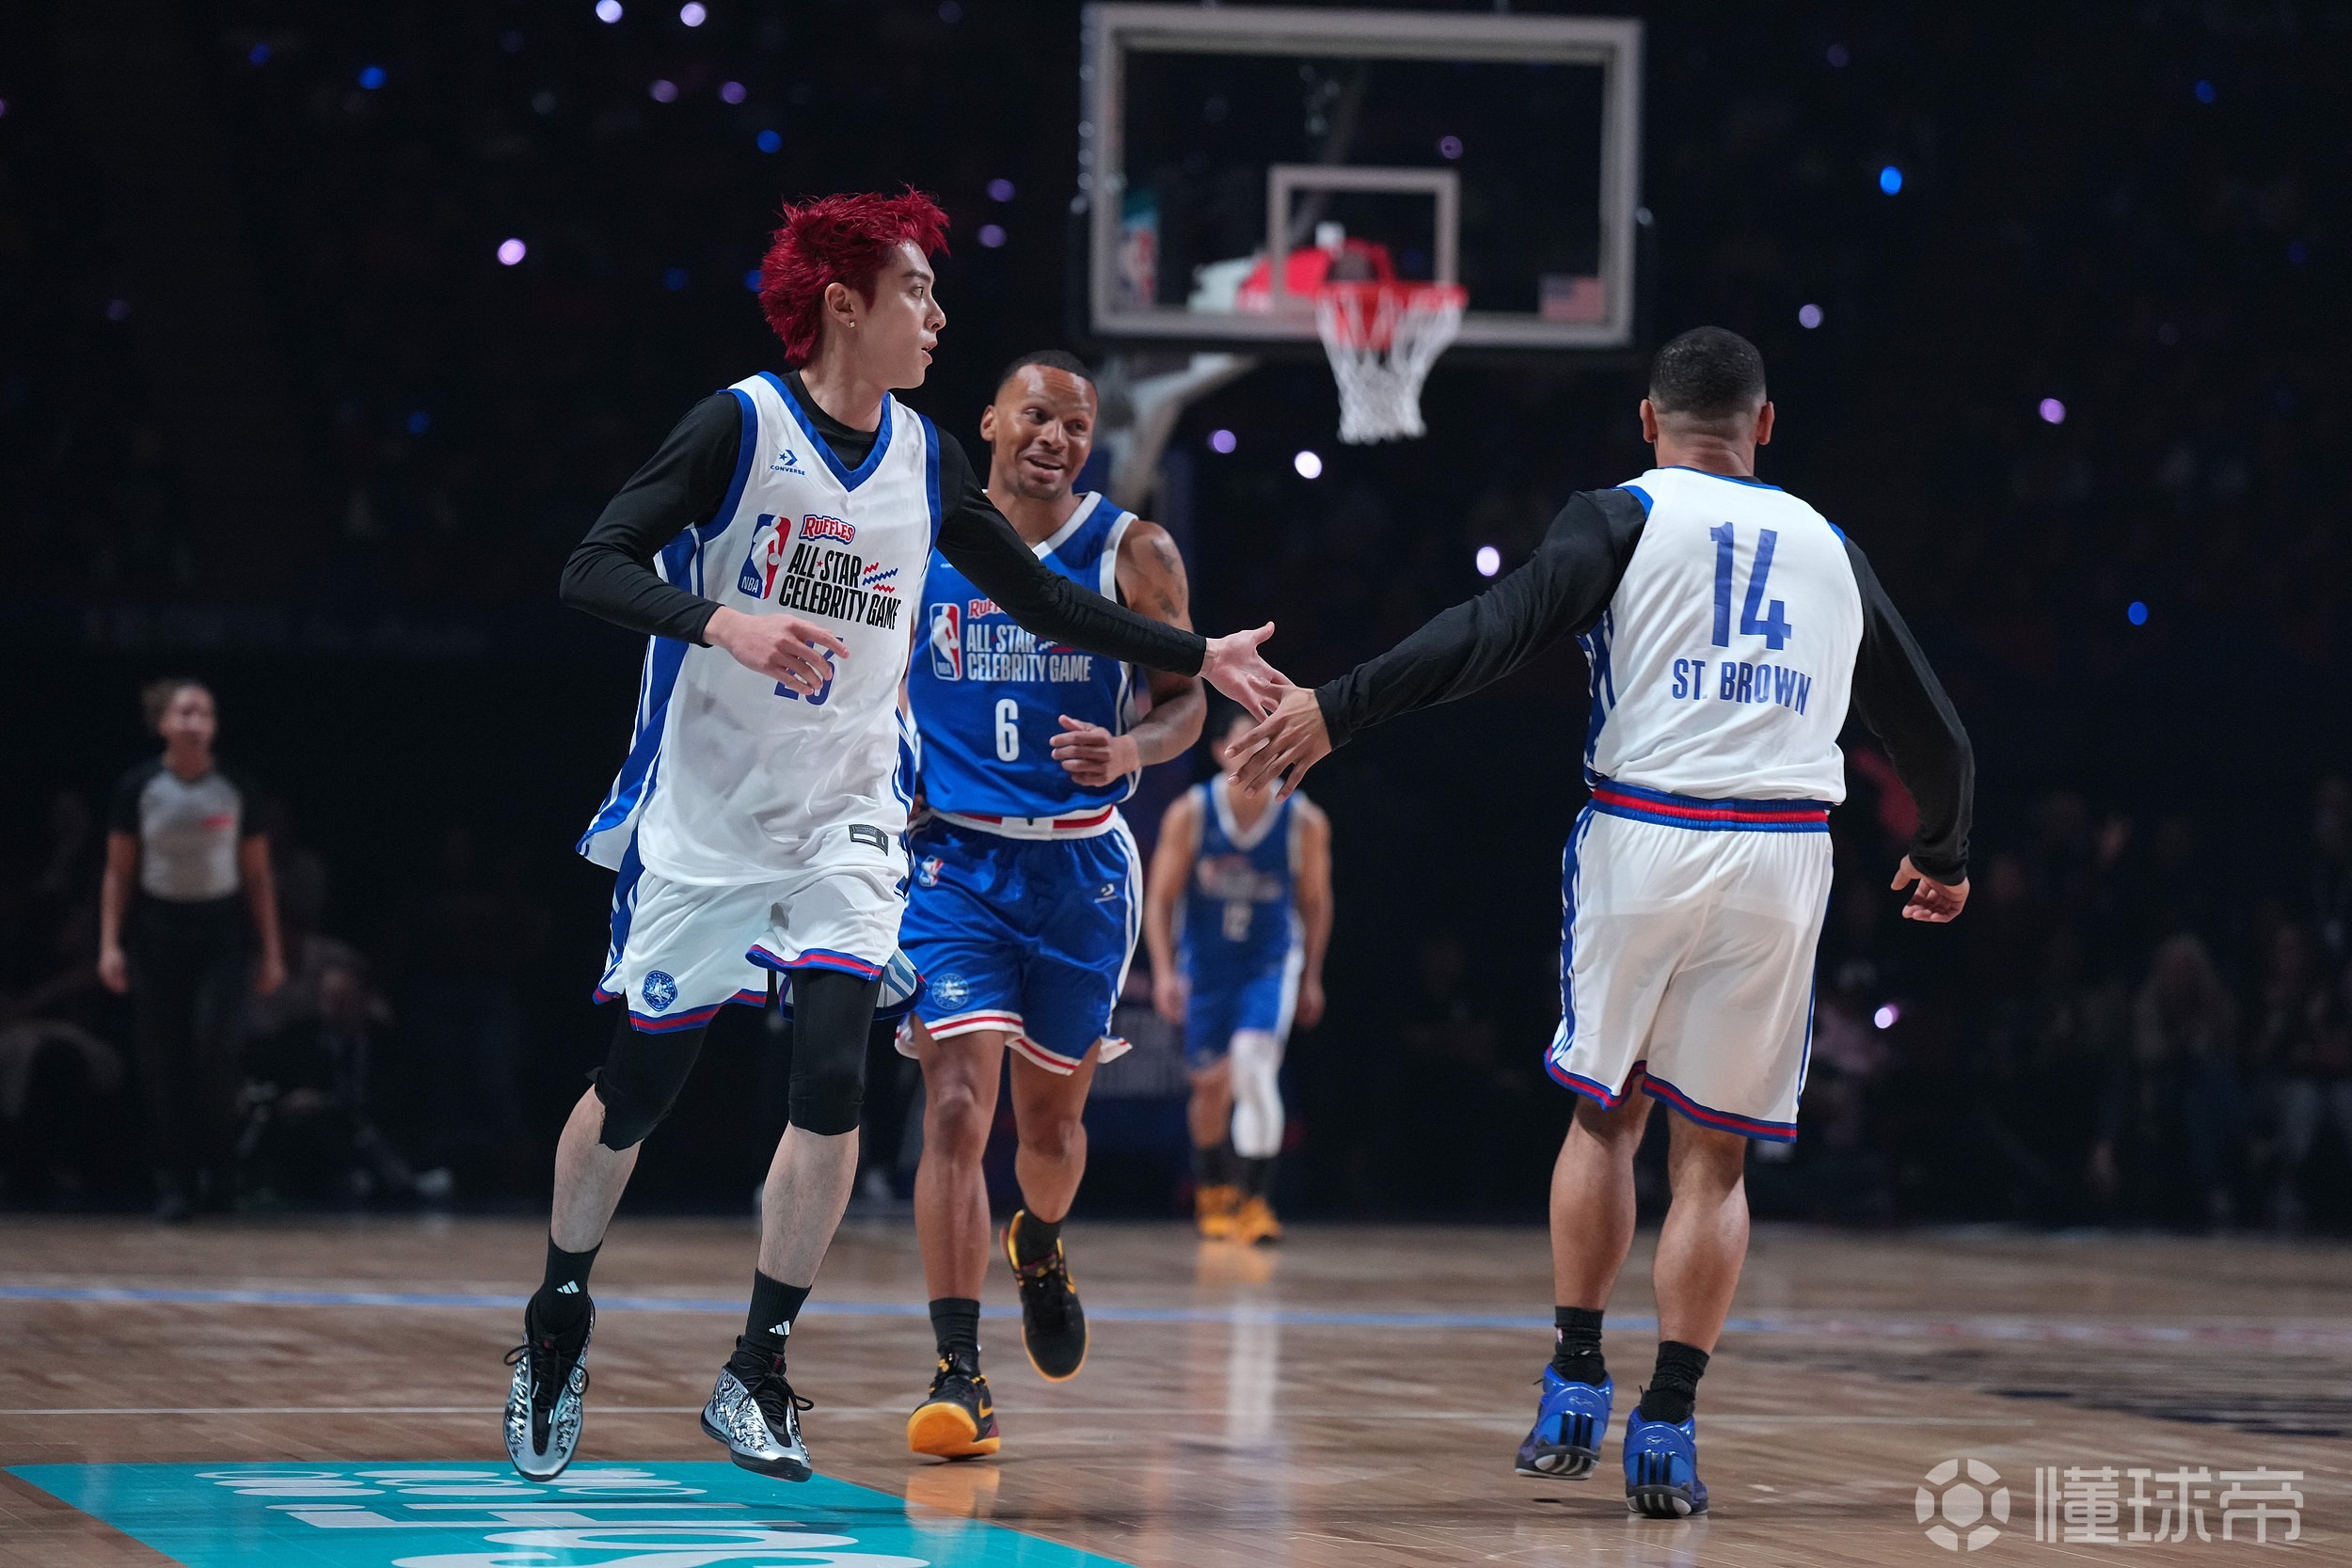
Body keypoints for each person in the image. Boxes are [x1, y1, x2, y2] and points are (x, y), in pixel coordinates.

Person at [503, 190, 1284, 1485]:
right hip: (712, 817)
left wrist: (1198, 654)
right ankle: (557, 1311)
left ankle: (758, 1366)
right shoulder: (738, 426)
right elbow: (592, 565)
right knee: (637, 1090)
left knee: (834, 1084)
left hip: (857, 823)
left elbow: (1039, 595)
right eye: (917, 290)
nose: (936, 315)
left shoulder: (925, 455)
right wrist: (724, 622)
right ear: (843, 305)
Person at [1232, 326, 1972, 1517]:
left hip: (1647, 831)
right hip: (1783, 852)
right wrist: (1941, 851)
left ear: (1647, 421)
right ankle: (1668, 1420)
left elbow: (1491, 629)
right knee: (1715, 1155)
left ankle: (1576, 1374)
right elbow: (1933, 733)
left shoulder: (1622, 515)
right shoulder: (1832, 545)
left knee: (1605, 1110)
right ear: (1763, 425)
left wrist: (1340, 708)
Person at [894, 349, 1205, 1461]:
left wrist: (1133, 747)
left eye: (1074, 425)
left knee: (1050, 1132)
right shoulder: (925, 537)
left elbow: (1186, 705)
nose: (1055, 438)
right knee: (953, 1109)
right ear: (989, 420)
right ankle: (957, 1369)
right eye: (1036, 415)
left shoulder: (1133, 551)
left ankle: (1039, 1237)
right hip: (954, 866)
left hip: (1079, 873)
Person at [96, 679, 286, 1219]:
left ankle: (221, 1176)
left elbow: (258, 877)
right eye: (184, 712)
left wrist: (272, 952)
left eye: (204, 712)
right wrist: (109, 944)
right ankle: (176, 1183)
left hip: (219, 934)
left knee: (214, 1054)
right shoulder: (139, 788)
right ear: (162, 724)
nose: (195, 721)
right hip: (157, 933)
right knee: (165, 1062)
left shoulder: (236, 788)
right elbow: (119, 872)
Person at [1144, 706, 1331, 1245]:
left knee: (1253, 1067)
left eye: (1264, 746)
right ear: (1219, 751)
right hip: (1206, 966)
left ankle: (1255, 1201)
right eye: (1243, 745)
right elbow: (1160, 901)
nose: (1253, 756)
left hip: (1269, 963)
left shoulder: (1304, 820)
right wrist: (1164, 973)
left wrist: (1312, 974)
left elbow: (1316, 903)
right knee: (1210, 1090)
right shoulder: (1191, 813)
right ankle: (1213, 1190)